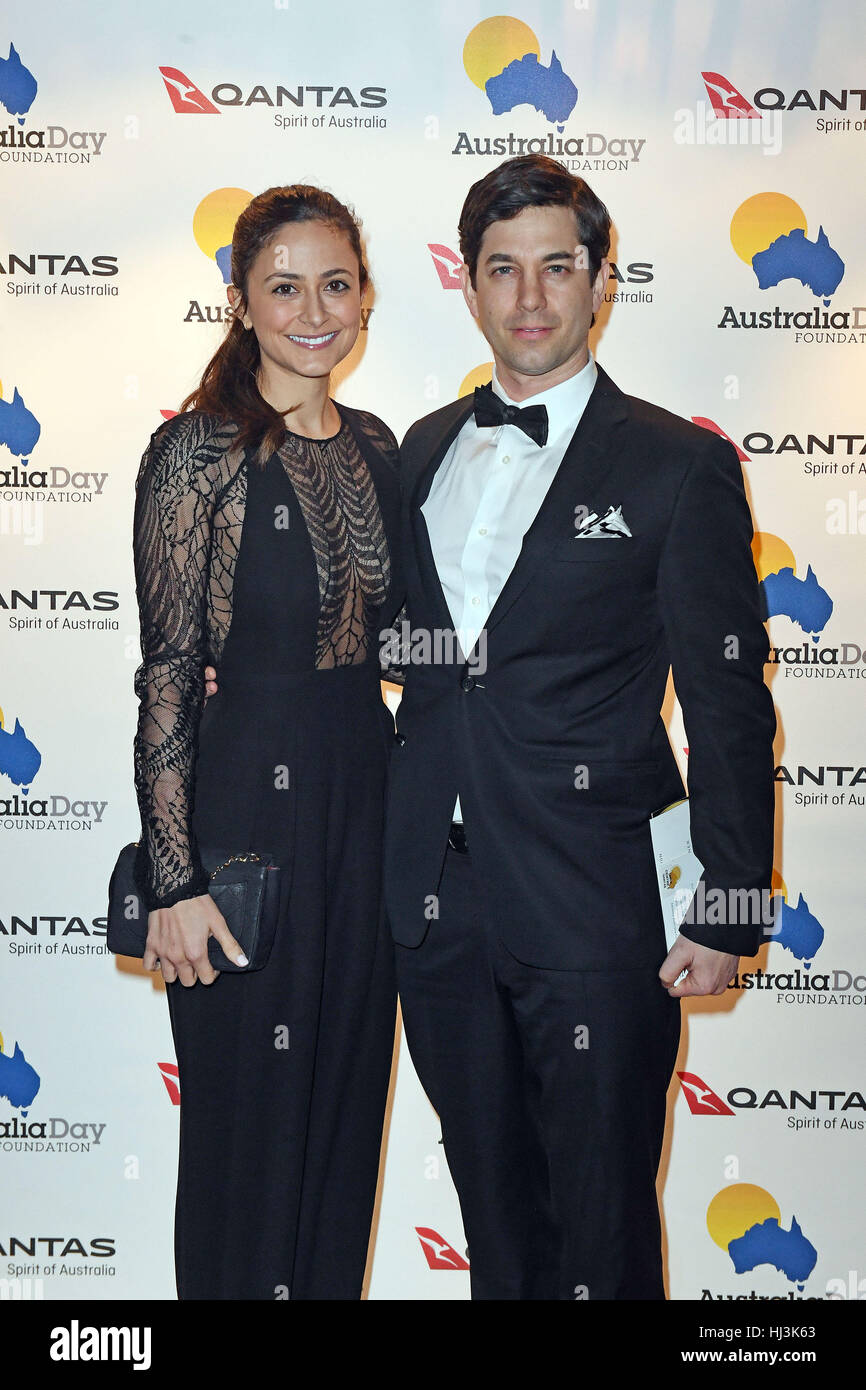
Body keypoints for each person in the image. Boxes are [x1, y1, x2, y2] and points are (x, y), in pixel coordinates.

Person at [382, 156, 776, 1300]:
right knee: (494, 1221)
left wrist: (731, 899)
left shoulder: (675, 463)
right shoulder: (421, 449)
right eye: (502, 270)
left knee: (600, 1226)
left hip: (594, 899)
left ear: (599, 280)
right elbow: (429, 658)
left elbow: (727, 695)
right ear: (467, 285)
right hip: (438, 903)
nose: (530, 298)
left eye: (556, 267)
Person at [132, 184, 403, 1300]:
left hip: (364, 811)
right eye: (283, 285)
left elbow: (405, 641)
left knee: (342, 1125)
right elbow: (165, 673)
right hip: (241, 822)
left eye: (334, 283)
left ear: (366, 298)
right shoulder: (197, 454)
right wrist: (174, 879)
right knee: (246, 1142)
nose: (311, 309)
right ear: (239, 300)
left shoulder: (381, 446)